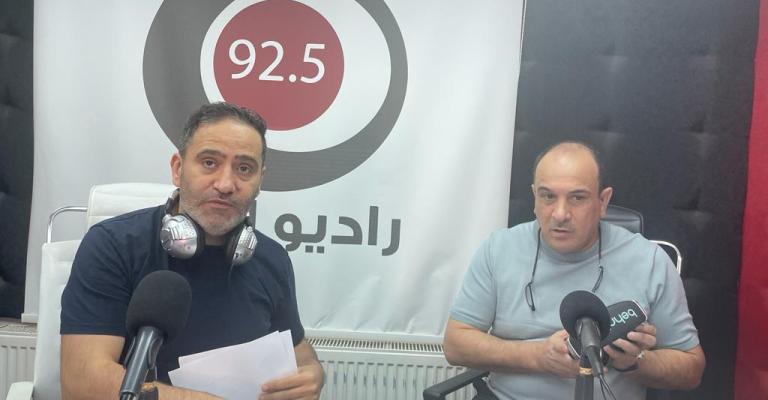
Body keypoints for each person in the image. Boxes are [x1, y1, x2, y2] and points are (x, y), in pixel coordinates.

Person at [60, 102, 324, 400]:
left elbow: (299, 354)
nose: (225, 184)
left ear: (259, 181)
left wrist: (313, 373)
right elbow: (80, 383)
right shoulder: (112, 245)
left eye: (244, 169)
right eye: (210, 162)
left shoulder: (272, 258)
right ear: (178, 168)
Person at [443, 141, 705, 400]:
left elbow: (691, 368)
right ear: (535, 198)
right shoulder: (499, 249)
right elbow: (456, 344)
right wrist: (537, 357)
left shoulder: (649, 261)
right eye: (548, 196)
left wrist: (635, 362)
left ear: (603, 201)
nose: (560, 214)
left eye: (577, 198)